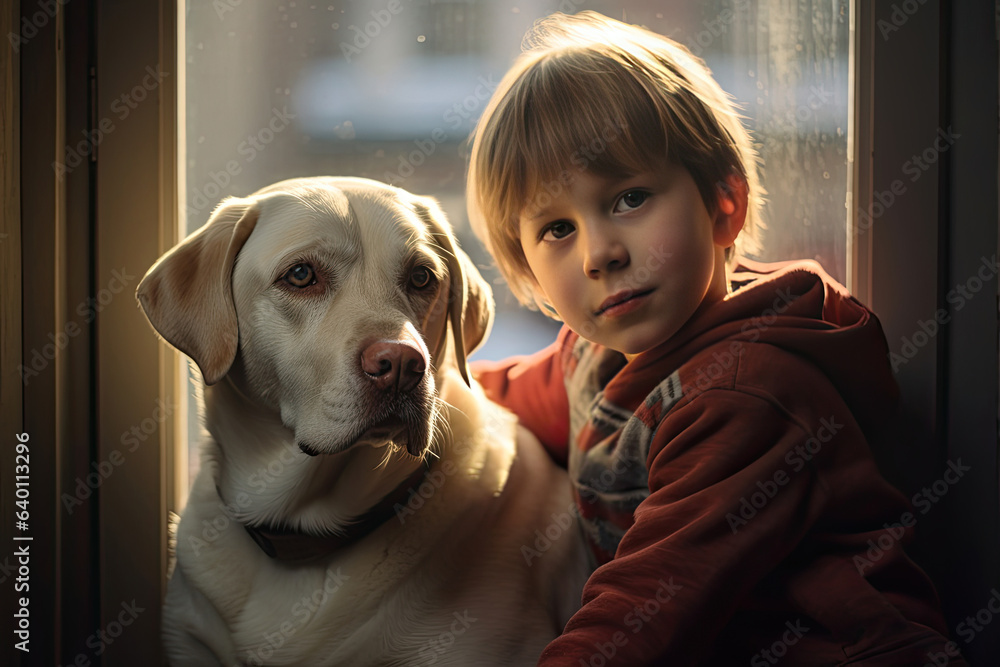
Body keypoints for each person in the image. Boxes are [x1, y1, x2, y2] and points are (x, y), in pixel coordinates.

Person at [465, 11, 965, 666]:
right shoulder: (593, 356)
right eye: (557, 228)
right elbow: (489, 397)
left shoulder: (745, 394)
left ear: (724, 201)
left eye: (629, 197)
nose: (600, 253)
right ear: (526, 268)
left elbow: (642, 610)